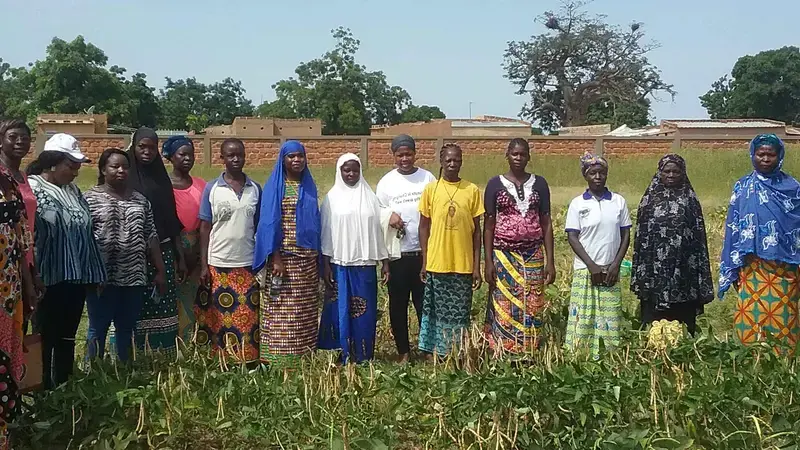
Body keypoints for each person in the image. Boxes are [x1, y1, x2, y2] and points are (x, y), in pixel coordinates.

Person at [27, 134, 106, 388]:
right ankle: (43, 391)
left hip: (75, 279)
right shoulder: (32, 189)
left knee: (67, 337)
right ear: (52, 163)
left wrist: (94, 273)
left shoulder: (73, 190)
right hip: (46, 280)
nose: (75, 172)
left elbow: (86, 233)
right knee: (45, 337)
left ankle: (64, 388)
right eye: (70, 166)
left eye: (77, 166)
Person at [84, 149, 166, 362]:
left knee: (127, 328)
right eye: (115, 166)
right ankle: (93, 373)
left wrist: (160, 270)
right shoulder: (90, 199)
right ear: (103, 169)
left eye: (125, 167)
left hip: (133, 277)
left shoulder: (140, 200)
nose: (121, 170)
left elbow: (151, 237)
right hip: (101, 278)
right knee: (97, 328)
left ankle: (124, 371)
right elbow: (83, 240)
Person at [720, 134, 800, 349]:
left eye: (770, 154)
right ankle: (750, 363)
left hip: (784, 266)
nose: (765, 159)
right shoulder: (743, 186)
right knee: (751, 319)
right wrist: (733, 263)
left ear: (779, 156)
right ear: (752, 155)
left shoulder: (792, 188)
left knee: (784, 316)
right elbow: (733, 225)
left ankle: (784, 367)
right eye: (760, 154)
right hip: (752, 266)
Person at [483, 138, 555, 354]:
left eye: (523, 154)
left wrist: (550, 261)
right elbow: (488, 225)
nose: (518, 158)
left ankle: (529, 351)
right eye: (514, 154)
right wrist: (488, 261)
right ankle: (503, 351)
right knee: (504, 302)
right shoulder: (495, 184)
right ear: (507, 155)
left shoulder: (540, 184)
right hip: (503, 254)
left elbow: (546, 222)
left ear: (528, 157)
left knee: (532, 301)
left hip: (533, 253)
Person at [253, 140, 321, 364]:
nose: (297, 160)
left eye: (300, 155)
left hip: (307, 263)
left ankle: (303, 357)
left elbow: (315, 224)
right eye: (291, 156)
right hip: (284, 260)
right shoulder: (275, 187)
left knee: (304, 312)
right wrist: (275, 257)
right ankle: (277, 360)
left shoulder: (309, 186)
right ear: (283, 159)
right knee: (281, 310)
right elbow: (269, 223)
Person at [319, 153, 389, 364]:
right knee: (340, 310)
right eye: (346, 170)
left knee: (364, 312)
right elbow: (325, 233)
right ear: (339, 172)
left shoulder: (370, 198)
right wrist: (326, 265)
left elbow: (381, 232)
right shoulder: (331, 199)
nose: (351, 174)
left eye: (355, 170)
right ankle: (342, 353)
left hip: (365, 265)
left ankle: (364, 355)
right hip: (339, 264)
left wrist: (385, 263)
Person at [632, 154, 713, 336]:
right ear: (659, 172)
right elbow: (641, 239)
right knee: (653, 323)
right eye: (666, 171)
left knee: (682, 322)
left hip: (684, 272)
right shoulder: (649, 200)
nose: (671, 175)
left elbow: (698, 238)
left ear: (682, 173)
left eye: (675, 171)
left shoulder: (690, 200)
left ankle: (683, 350)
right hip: (655, 271)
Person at [196, 139, 261, 364]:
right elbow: (205, 227)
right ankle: (221, 363)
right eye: (230, 155)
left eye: (239, 155)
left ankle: (247, 362)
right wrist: (204, 265)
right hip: (219, 264)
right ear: (221, 158)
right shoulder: (212, 189)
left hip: (246, 264)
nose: (235, 159)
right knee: (220, 318)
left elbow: (259, 227)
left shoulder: (255, 189)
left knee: (247, 318)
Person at [418, 143, 484, 357]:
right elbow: (424, 226)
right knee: (435, 311)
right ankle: (435, 352)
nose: (452, 164)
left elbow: (477, 232)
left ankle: (457, 352)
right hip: (437, 263)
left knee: (459, 313)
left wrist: (476, 266)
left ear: (462, 161)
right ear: (441, 162)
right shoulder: (431, 189)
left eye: (456, 160)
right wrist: (424, 261)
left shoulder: (472, 190)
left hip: (462, 265)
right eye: (448, 160)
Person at [564, 151, 631, 358]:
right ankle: (579, 356)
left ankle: (609, 356)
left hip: (610, 269)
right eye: (593, 173)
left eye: (601, 173)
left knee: (610, 317)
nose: (598, 177)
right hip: (586, 269)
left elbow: (626, 234)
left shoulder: (618, 201)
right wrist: (592, 266)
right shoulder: (578, 203)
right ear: (585, 175)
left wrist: (615, 265)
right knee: (583, 317)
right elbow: (573, 237)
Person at [376, 135, 436, 362]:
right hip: (397, 254)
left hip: (423, 253)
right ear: (393, 156)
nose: (404, 159)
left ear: (415, 153)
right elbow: (377, 212)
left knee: (425, 304)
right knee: (398, 306)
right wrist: (388, 215)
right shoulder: (386, 183)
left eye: (408, 154)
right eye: (400, 155)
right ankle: (403, 352)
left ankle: (427, 349)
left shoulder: (427, 178)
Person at [127, 127, 185, 354]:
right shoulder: (125, 176)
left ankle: (163, 354)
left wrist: (179, 257)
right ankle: (132, 354)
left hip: (163, 253)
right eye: (142, 146)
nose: (147, 152)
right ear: (133, 147)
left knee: (163, 305)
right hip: (132, 257)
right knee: (133, 308)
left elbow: (171, 221)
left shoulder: (161, 180)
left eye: (152, 147)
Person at [0, 149, 35, 448]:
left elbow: (22, 243)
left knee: (8, 359)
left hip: (9, 293)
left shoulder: (10, 186)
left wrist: (29, 284)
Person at [163, 136, 207, 343]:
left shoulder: (201, 185)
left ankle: (189, 343)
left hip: (197, 250)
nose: (188, 159)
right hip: (173, 249)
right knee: (172, 299)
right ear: (171, 157)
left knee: (191, 298)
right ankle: (170, 344)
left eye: (191, 154)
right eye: (182, 154)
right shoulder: (163, 186)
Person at [0, 120, 41, 298]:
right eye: (13, 137)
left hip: (25, 254)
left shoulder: (23, 176)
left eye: (25, 138)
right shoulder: (2, 177)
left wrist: (34, 270)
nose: (20, 141)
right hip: (6, 256)